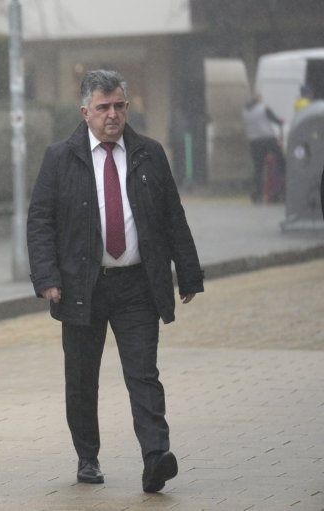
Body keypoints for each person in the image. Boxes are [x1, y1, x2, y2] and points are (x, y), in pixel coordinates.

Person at [26, 69, 204, 493]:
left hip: (137, 286)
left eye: (119, 106)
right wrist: (48, 277)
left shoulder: (149, 153)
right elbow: (40, 221)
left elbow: (173, 216)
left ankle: (155, 457)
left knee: (143, 373)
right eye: (103, 107)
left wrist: (188, 272)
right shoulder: (60, 158)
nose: (113, 114)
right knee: (81, 378)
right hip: (81, 286)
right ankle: (87, 457)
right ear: (85, 112)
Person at [242, 93, 286, 202]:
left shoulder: (245, 111)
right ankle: (283, 188)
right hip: (268, 140)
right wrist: (282, 122)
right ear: (258, 100)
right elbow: (276, 120)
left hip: (254, 142)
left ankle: (257, 193)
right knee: (282, 163)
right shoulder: (263, 109)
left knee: (258, 169)